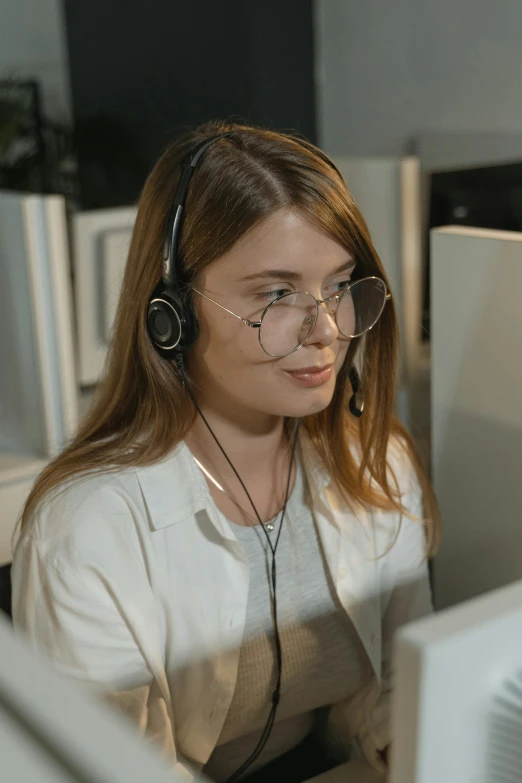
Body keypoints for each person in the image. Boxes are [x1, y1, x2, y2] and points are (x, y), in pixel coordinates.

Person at [11, 121, 441, 783]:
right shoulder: (88, 527)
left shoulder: (374, 461)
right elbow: (111, 768)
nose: (326, 330)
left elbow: (387, 678)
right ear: (171, 312)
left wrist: (384, 722)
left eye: (338, 286)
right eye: (276, 294)